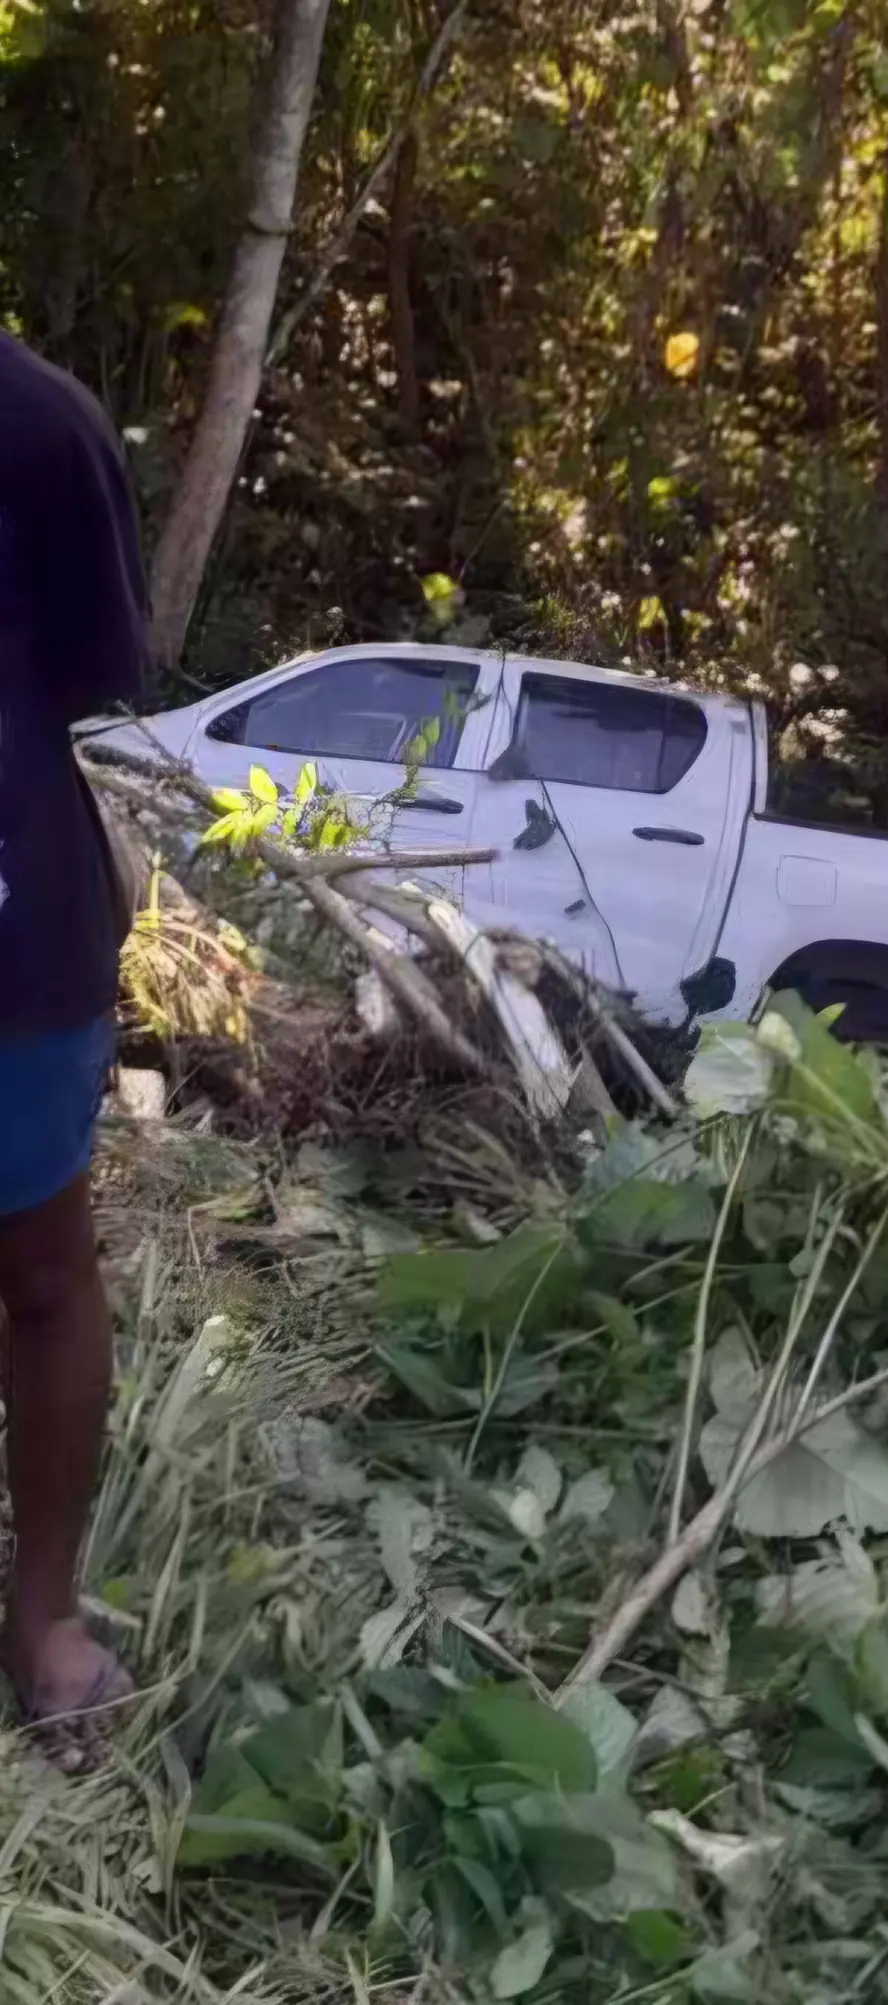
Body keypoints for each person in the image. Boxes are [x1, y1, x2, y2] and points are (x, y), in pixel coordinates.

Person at [0, 331, 150, 1771]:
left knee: (43, 1278)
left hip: (13, 944)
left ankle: (40, 1617)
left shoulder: (44, 428)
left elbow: (91, 677)